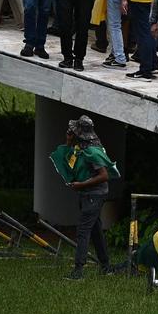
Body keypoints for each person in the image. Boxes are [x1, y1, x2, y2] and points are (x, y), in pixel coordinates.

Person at [52, 115, 119, 280]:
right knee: (95, 230)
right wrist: (68, 141)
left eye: (73, 131)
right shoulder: (82, 147)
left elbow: (104, 175)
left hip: (93, 195)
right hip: (88, 194)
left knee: (83, 231)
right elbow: (69, 160)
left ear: (80, 133)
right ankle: (106, 267)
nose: (71, 132)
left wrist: (81, 185)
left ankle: (78, 271)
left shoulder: (92, 151)